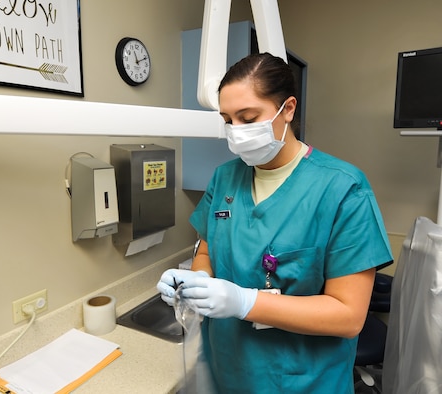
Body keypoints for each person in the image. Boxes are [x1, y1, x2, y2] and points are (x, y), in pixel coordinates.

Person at [157, 53, 392, 393]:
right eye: (227, 120)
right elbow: (208, 252)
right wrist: (197, 279)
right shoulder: (224, 179)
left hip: (301, 380)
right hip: (226, 368)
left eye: (248, 117)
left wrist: (244, 302)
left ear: (289, 109)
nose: (235, 133)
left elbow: (348, 315)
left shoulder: (343, 188)